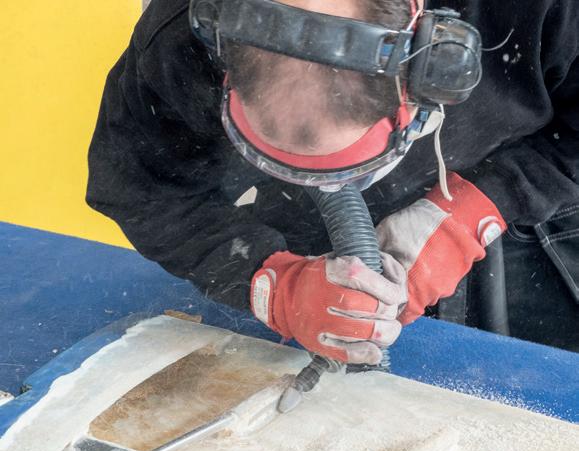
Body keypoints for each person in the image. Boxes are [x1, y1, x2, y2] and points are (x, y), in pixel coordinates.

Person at [87, 0, 579, 362]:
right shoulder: (182, 36)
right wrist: (275, 285)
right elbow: (140, 187)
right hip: (298, 229)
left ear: (429, 69)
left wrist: (472, 214)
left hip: (533, 181)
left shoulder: (542, 11)